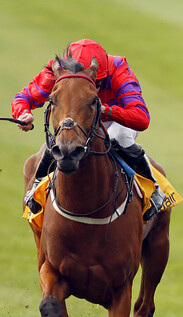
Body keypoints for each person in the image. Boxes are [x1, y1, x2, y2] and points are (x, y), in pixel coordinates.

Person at [13, 39, 166, 221]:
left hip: (114, 120)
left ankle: (154, 190)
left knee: (119, 136)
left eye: (97, 82)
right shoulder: (59, 70)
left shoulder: (118, 68)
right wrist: (23, 114)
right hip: (77, 122)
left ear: (102, 74)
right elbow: (23, 97)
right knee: (59, 140)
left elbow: (141, 117)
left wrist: (106, 110)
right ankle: (36, 187)